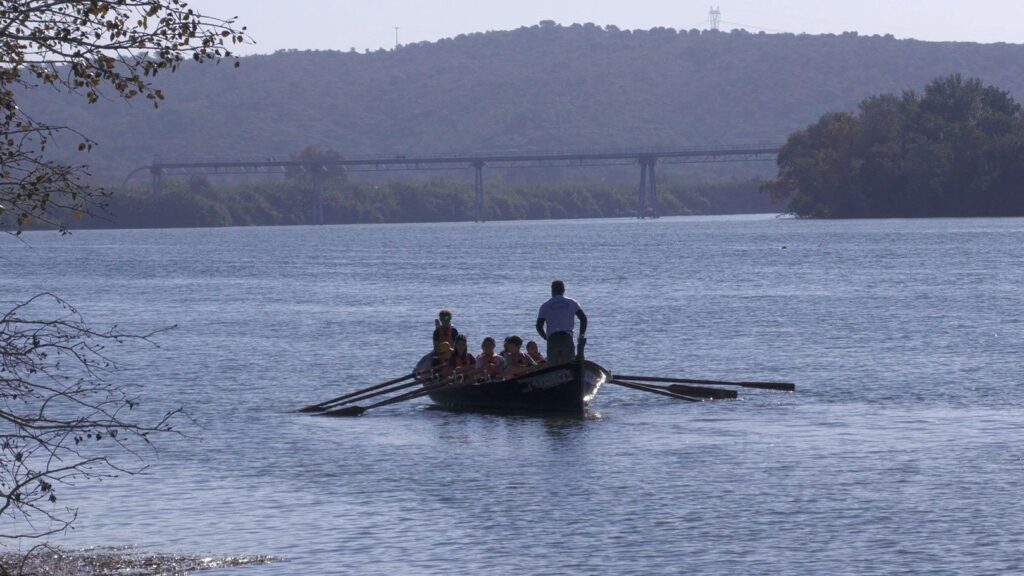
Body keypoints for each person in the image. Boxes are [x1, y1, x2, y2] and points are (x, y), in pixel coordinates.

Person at [536, 279, 587, 365]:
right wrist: (581, 334)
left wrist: (546, 337)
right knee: (569, 365)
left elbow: (538, 326)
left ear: (552, 290)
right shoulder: (572, 303)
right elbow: (583, 318)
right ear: (563, 290)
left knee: (553, 367)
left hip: (552, 338)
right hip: (567, 337)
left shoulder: (545, 305)